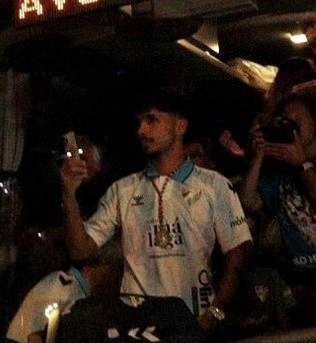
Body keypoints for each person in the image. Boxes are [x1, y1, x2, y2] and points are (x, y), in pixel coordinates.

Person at [61, 89, 253, 329]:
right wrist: (69, 195)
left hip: (193, 323)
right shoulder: (123, 190)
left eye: (152, 120)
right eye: (139, 122)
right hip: (137, 326)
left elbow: (238, 257)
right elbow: (80, 251)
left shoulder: (214, 185)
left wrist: (214, 315)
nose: (141, 130)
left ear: (180, 126)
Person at [241, 92, 316, 317]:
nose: (290, 124)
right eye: (284, 119)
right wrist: (258, 156)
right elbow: (248, 203)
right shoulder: (279, 169)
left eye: (297, 118)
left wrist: (303, 165)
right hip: (299, 280)